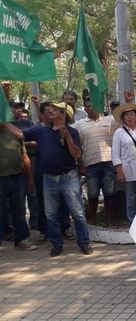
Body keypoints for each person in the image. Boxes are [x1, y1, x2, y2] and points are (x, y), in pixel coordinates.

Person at [23, 102, 92, 256]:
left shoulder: (72, 132)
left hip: (69, 176)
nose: (51, 111)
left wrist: (67, 137)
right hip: (48, 178)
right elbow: (22, 135)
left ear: (63, 114)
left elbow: (76, 155)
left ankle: (84, 243)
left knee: (78, 212)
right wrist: (7, 124)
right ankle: (56, 244)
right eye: (51, 109)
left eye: (55, 110)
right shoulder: (41, 131)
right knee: (51, 214)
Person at [73, 99, 117, 226]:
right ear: (85, 109)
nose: (91, 108)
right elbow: (77, 145)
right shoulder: (80, 124)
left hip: (108, 162)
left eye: (93, 105)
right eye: (88, 106)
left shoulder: (110, 120)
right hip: (90, 164)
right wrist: (80, 164)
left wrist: (128, 101)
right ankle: (94, 220)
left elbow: (122, 119)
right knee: (92, 194)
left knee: (109, 193)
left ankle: (109, 219)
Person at [0, 122, 37, 252]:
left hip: (18, 177)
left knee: (19, 210)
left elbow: (24, 156)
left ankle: (21, 239)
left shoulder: (14, 133)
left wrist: (30, 178)